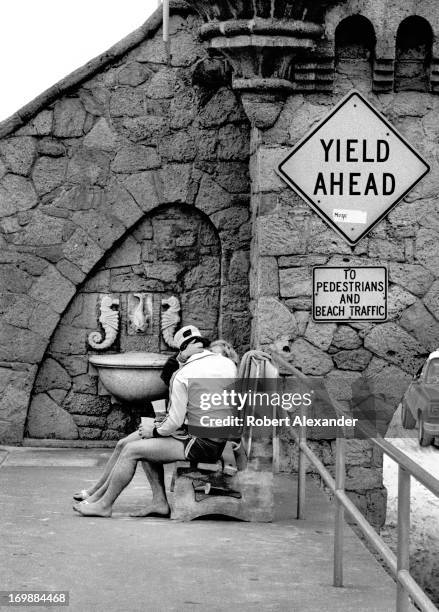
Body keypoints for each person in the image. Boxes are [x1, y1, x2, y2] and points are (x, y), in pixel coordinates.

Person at [74, 325, 238, 518]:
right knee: (142, 442)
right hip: (213, 437)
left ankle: (104, 505)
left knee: (131, 450)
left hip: (201, 443)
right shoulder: (228, 365)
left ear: (184, 350)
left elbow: (174, 421)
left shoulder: (183, 375)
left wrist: (155, 430)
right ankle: (158, 502)